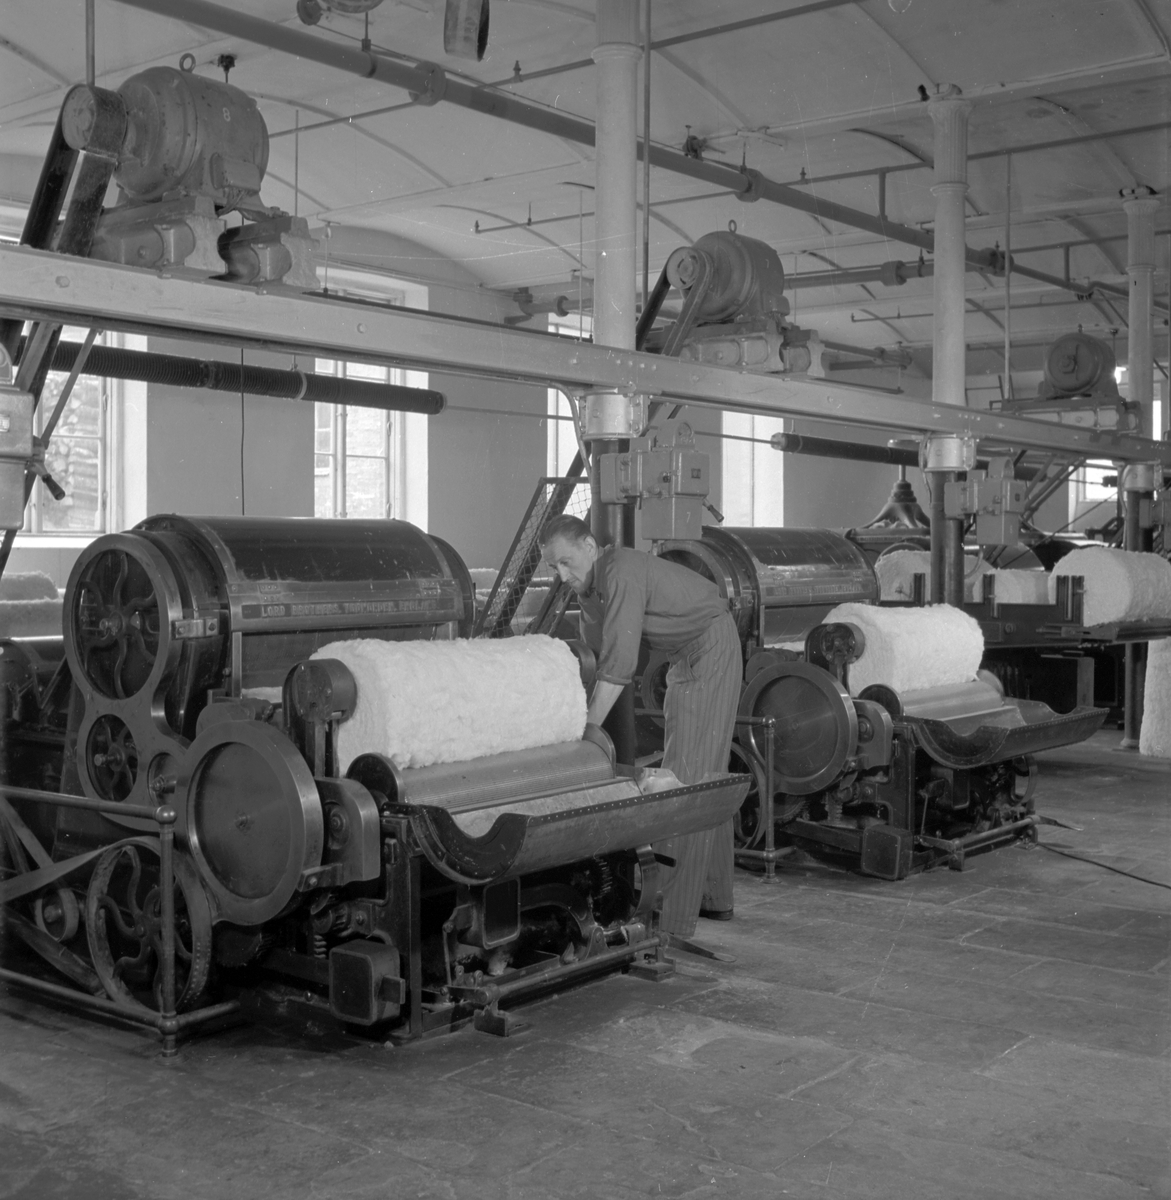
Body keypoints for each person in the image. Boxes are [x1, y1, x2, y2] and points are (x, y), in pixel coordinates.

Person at [539, 513, 742, 937]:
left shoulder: (620, 570)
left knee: (685, 784)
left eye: (565, 562)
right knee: (705, 773)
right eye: (553, 567)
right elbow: (595, 662)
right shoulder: (590, 591)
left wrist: (585, 736)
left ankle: (672, 924)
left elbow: (618, 668)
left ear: (590, 547)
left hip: (709, 650)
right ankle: (713, 895)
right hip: (686, 658)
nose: (561, 575)